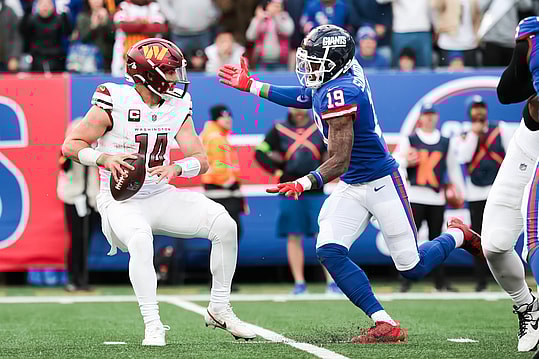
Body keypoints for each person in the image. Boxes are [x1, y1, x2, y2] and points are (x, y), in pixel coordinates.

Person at [218, 24, 483, 343]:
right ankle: (384, 323)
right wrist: (251, 85)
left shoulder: (343, 91)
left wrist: (303, 182)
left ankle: (458, 235)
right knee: (329, 250)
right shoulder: (336, 77)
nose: (306, 66)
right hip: (353, 184)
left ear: (334, 62)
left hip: (381, 181)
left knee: (411, 266)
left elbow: (339, 160)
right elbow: (306, 96)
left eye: (315, 60)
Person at [62, 38, 256, 346]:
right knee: (140, 239)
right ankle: (152, 324)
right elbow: (71, 146)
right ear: (148, 74)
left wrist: (177, 168)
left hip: (159, 193)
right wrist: (104, 158)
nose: (175, 79)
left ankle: (220, 308)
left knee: (225, 225)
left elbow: (201, 160)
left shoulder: (178, 105)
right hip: (120, 200)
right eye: (169, 71)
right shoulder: (114, 99)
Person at [487, 16, 539, 353]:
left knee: (535, 232)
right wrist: (525, 51)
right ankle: (528, 308)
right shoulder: (532, 36)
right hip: (528, 142)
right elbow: (507, 92)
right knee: (494, 243)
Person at [254, 107, 341, 295]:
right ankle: (299, 283)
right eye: (294, 107)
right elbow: (260, 151)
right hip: (289, 188)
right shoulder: (279, 129)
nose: (298, 111)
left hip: (315, 187)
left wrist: (327, 170)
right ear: (289, 107)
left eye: (301, 107)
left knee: (324, 234)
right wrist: (278, 171)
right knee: (294, 235)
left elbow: (335, 152)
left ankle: (332, 282)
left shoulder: (319, 127)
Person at [394, 103, 465, 293]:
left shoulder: (444, 141)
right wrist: (406, 161)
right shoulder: (410, 139)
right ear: (421, 118)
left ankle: (439, 282)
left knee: (438, 241)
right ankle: (405, 281)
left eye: (432, 114)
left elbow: (452, 168)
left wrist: (460, 190)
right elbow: (395, 161)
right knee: (409, 240)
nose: (430, 118)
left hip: (436, 198)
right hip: (415, 195)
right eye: (426, 114)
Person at [457, 95, 509, 292]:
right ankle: (480, 280)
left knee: (501, 234)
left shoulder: (500, 129)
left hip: (497, 191)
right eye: (475, 108)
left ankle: (504, 277)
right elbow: (464, 156)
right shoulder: (464, 134)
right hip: (476, 194)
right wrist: (473, 134)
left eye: (481, 108)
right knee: (478, 238)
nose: (478, 112)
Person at [200, 104, 248, 293]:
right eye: (223, 117)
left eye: (229, 117)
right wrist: (229, 181)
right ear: (215, 119)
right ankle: (221, 282)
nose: (228, 120)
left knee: (222, 236)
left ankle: (220, 281)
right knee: (227, 235)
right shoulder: (215, 137)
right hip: (223, 192)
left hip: (222, 192)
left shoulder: (215, 135)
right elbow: (220, 166)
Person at [58, 118, 101, 292]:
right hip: (73, 199)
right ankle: (72, 278)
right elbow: (64, 167)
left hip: (90, 199)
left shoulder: (94, 150)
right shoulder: (66, 152)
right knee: (76, 238)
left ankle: (82, 278)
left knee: (86, 240)